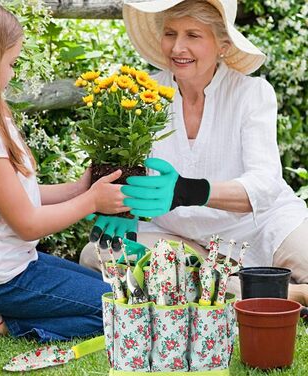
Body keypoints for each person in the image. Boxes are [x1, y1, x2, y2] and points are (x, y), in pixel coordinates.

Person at [79, 0, 308, 305]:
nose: (177, 48)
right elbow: (122, 169)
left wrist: (189, 190)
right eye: (171, 33)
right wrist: (120, 207)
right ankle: (287, 292)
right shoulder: (143, 94)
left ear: (223, 44)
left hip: (262, 226)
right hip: (179, 236)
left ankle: (222, 287)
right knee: (97, 254)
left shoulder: (251, 93)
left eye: (193, 36)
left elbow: (264, 186)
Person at [0, 0, 130, 340]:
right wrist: (92, 202)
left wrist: (79, 187)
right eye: (12, 62)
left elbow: (21, 196)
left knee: (114, 287)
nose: (13, 72)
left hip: (7, 265)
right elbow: (27, 223)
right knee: (119, 310)